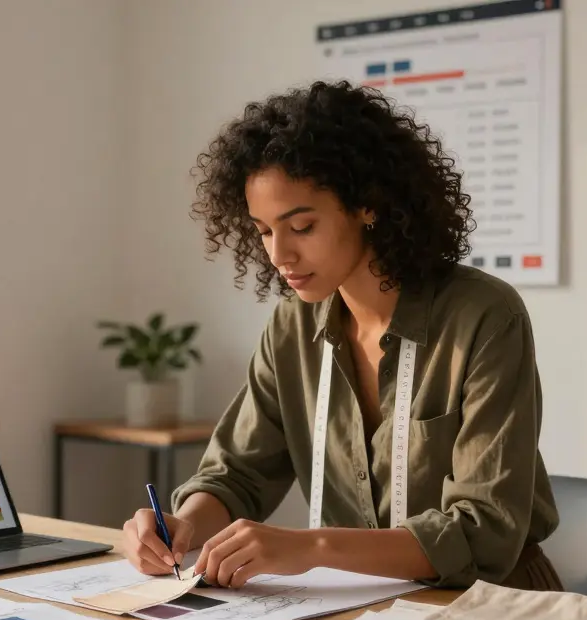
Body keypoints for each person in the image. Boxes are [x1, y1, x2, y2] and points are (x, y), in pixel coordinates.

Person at [121, 80, 562, 592]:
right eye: (264, 231)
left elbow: (485, 533)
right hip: (358, 601)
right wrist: (187, 525)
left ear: (367, 205)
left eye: (301, 226)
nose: (279, 255)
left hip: (490, 603)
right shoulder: (294, 325)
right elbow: (238, 474)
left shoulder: (482, 316)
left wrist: (311, 548)